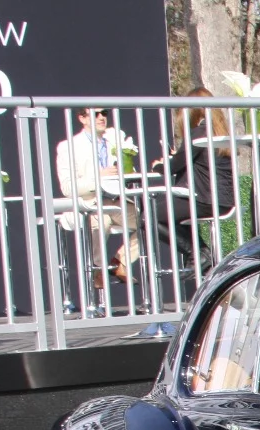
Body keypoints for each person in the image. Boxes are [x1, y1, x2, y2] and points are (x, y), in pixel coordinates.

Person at [148, 87, 238, 276]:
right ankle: (202, 257)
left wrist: (158, 165)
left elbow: (173, 167)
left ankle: (197, 252)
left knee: (149, 216)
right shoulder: (219, 132)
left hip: (205, 199)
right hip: (225, 200)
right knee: (165, 214)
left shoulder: (198, 133)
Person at [54, 107, 143, 288]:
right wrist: (98, 177)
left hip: (118, 202)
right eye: (95, 114)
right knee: (100, 221)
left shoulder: (114, 142)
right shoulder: (69, 146)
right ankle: (97, 269)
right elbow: (67, 187)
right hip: (90, 204)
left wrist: (125, 171)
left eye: (105, 113)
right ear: (82, 118)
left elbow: (130, 174)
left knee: (151, 222)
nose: (101, 117)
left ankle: (121, 262)